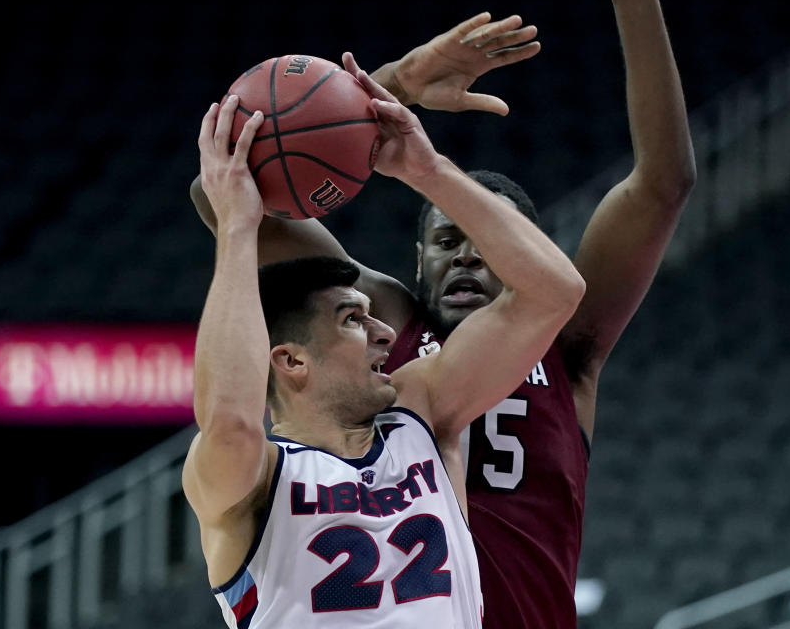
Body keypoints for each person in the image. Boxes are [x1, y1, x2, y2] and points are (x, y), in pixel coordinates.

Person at [191, 0, 696, 626]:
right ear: (416, 259)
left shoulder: (554, 349)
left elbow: (662, 185)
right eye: (447, 241)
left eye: (487, 242)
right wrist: (384, 90)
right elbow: (229, 197)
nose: (466, 258)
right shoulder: (387, 338)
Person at [182, 57, 585, 629]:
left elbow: (555, 292)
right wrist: (238, 227)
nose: (387, 333)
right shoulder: (253, 479)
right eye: (353, 319)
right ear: (292, 360)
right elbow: (230, 421)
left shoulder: (422, 415)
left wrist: (429, 169)